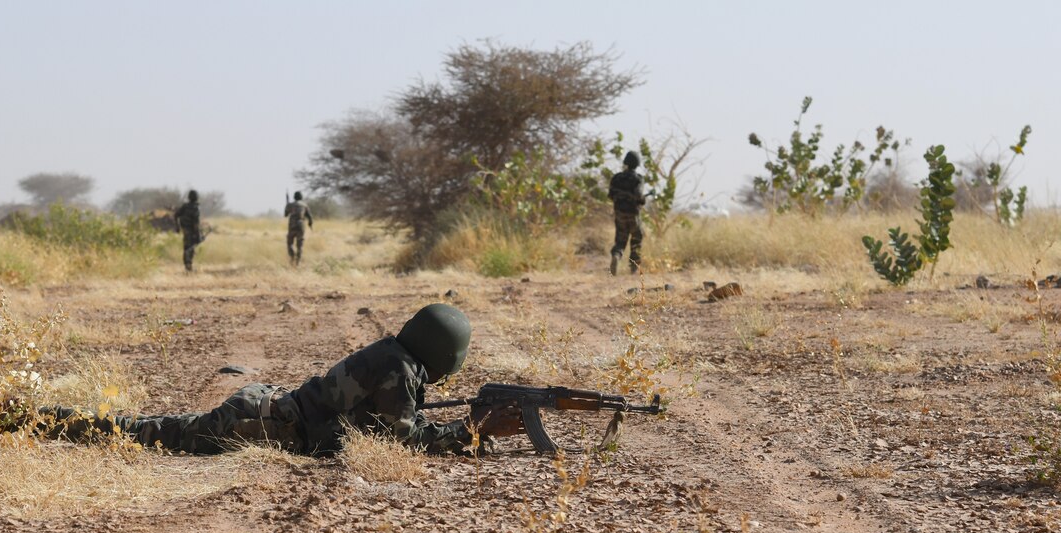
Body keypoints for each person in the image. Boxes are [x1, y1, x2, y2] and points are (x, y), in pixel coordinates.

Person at [43, 304, 506, 456]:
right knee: (141, 433)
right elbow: (405, 436)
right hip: (258, 423)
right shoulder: (399, 370)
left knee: (150, 427)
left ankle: (35, 417)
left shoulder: (393, 354)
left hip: (265, 409)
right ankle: (38, 420)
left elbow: (387, 424)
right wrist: (471, 434)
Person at [608, 150, 646, 275]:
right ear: (637, 164)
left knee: (620, 240)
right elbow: (639, 196)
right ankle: (634, 268)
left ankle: (616, 256)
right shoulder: (638, 179)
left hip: (619, 213)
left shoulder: (617, 177)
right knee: (636, 239)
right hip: (633, 214)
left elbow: (611, 195)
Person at [173, 189, 203, 272]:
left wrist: (177, 227)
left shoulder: (185, 206)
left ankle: (188, 266)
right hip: (192, 231)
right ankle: (188, 267)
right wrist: (198, 235)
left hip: (185, 230)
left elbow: (176, 215)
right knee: (190, 249)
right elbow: (196, 223)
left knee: (187, 248)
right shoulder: (195, 208)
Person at [284, 191, 314, 266]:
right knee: (300, 245)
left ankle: (292, 257)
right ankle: (298, 262)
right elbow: (310, 217)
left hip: (292, 226)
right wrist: (310, 224)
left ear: (294, 197)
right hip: (301, 227)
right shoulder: (304, 205)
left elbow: (286, 214)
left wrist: (287, 205)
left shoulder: (290, 205)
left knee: (290, 243)